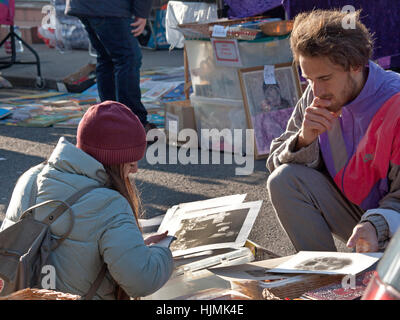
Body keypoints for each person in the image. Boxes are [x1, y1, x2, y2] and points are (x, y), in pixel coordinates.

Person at [0, 101, 173, 299]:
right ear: (114, 160)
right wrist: (162, 253)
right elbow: (142, 281)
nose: (135, 169)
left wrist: (135, 247)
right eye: (131, 160)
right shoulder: (110, 204)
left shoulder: (29, 178)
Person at [266, 9, 400, 253]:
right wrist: (304, 140)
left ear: (356, 65)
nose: (315, 91)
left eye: (325, 78)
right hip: (358, 216)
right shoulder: (317, 94)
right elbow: (275, 163)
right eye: (308, 79)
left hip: (392, 222)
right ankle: (324, 281)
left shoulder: (395, 103)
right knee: (284, 179)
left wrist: (377, 224)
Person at [65, 0, 157, 133]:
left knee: (106, 59)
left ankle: (111, 118)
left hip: (85, 6)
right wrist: (141, 13)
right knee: (127, 59)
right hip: (108, 7)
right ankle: (133, 123)